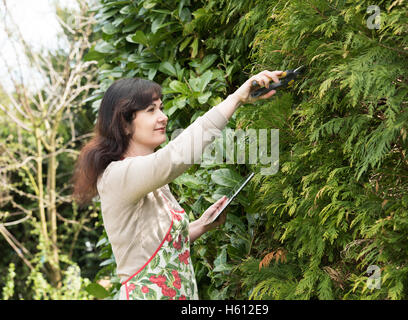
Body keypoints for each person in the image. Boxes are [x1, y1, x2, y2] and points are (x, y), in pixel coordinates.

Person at [71, 70, 283, 300]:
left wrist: (201, 224)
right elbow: (174, 157)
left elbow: (154, 247)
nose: (163, 116)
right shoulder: (118, 176)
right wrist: (235, 98)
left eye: (160, 108)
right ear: (124, 123)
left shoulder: (149, 179)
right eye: (151, 110)